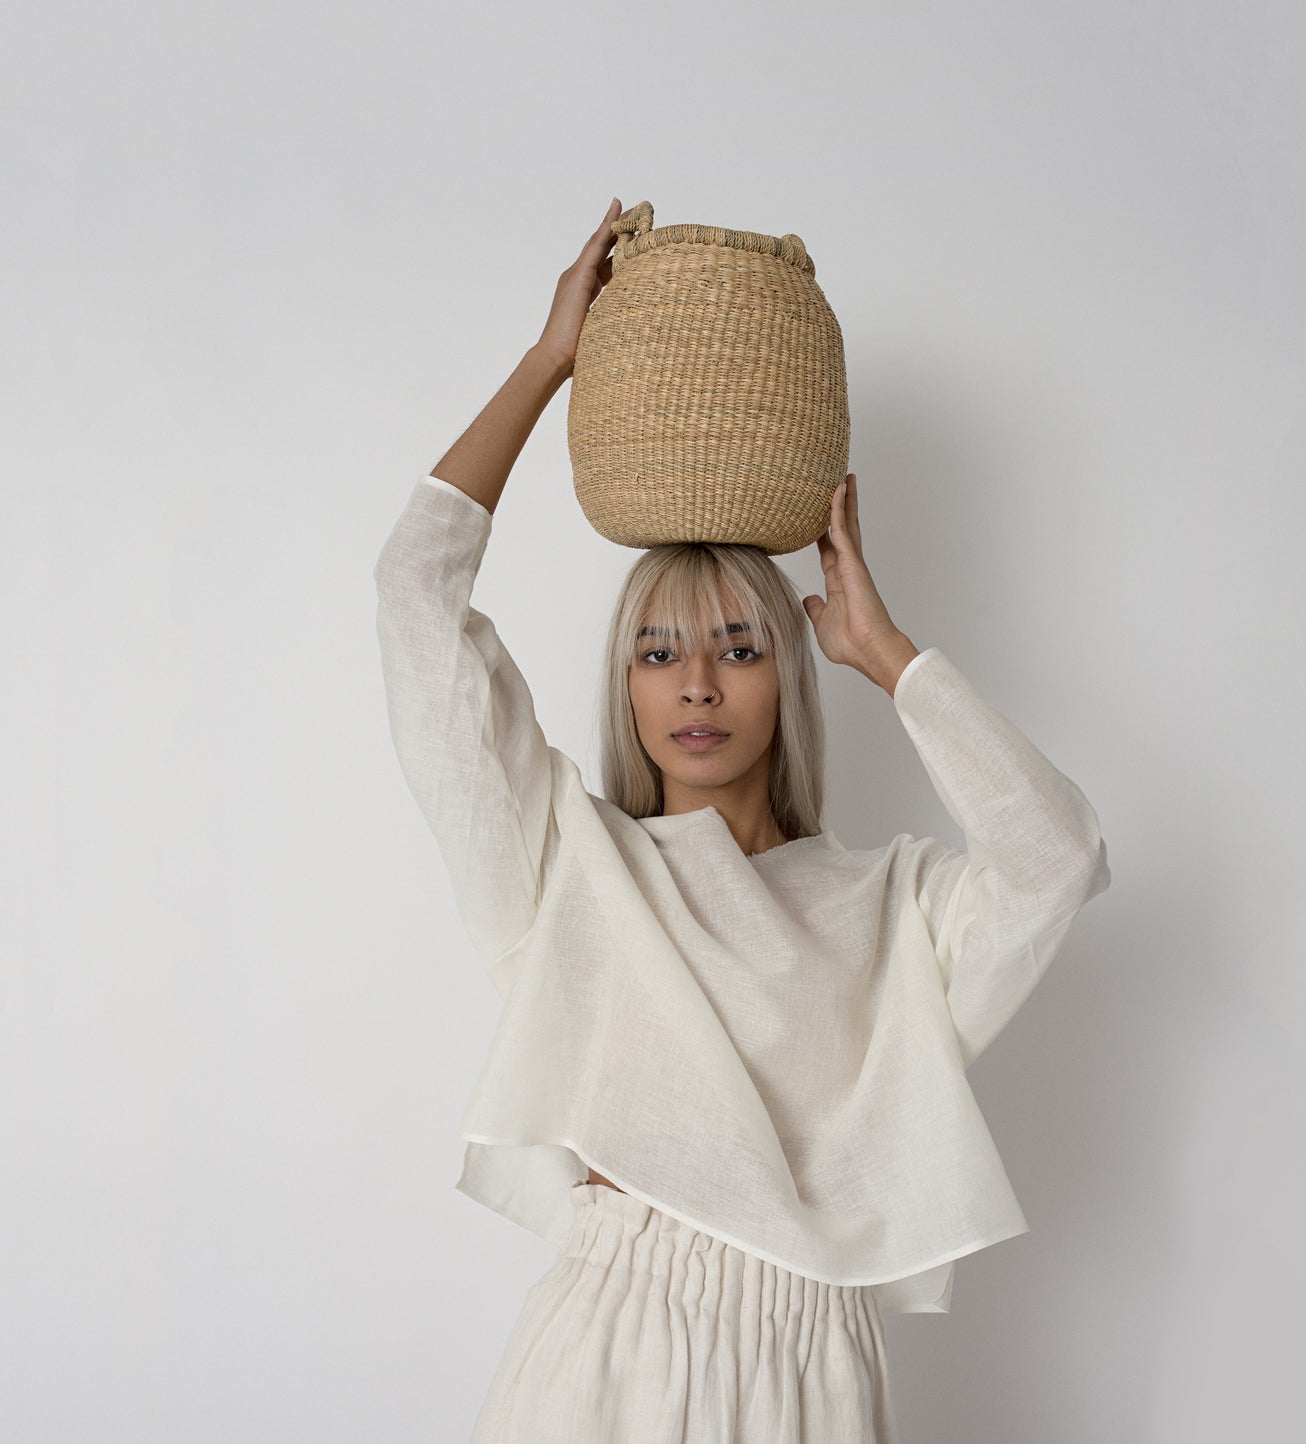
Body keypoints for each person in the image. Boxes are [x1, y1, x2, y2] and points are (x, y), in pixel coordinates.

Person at [372, 199, 1111, 1443]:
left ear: (790, 672)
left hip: (811, 1371)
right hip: (608, 1358)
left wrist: (887, 652)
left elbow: (1057, 857)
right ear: (625, 683)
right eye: (658, 651)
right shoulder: (567, 865)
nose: (698, 683)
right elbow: (412, 596)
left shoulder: (890, 905)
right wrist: (552, 359)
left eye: (738, 646)